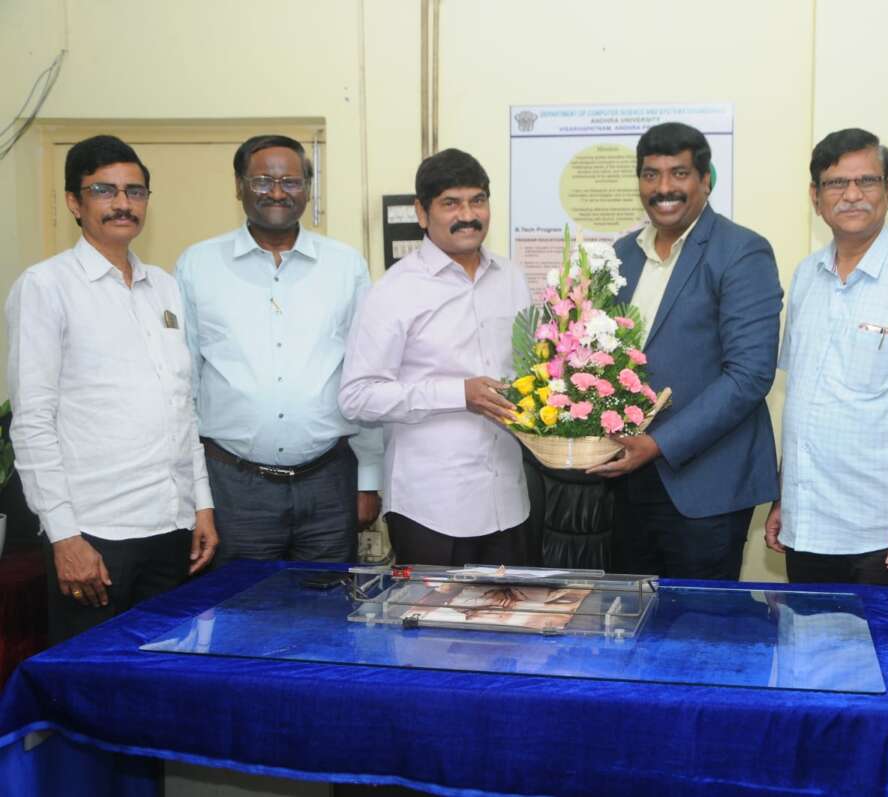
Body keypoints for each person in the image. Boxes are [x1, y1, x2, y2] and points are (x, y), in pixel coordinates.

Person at [6, 135, 218, 643]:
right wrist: (64, 536)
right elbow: (32, 422)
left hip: (171, 527)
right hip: (96, 536)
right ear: (74, 202)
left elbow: (181, 408)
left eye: (135, 191)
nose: (123, 203)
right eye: (105, 190)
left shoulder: (164, 287)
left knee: (167, 669)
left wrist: (202, 505)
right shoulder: (46, 286)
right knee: (93, 676)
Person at [764, 128, 888, 596]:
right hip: (808, 524)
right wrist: (785, 497)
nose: (852, 194)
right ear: (815, 197)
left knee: (884, 646)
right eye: (836, 183)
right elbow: (804, 397)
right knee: (807, 642)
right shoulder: (806, 276)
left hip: (884, 532)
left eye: (867, 181)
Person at [587, 122, 782, 581]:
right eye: (650, 175)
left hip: (706, 485)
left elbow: (750, 374)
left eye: (679, 173)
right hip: (627, 482)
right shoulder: (622, 254)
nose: (663, 188)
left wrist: (658, 444)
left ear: (705, 180)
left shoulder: (741, 251)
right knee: (632, 611)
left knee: (701, 620)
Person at [176, 135, 383, 565]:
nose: (276, 192)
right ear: (239, 186)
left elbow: (364, 374)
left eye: (290, 181)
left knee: (327, 603)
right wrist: (198, 496)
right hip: (234, 486)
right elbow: (185, 382)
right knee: (241, 604)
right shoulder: (198, 265)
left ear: (307, 188)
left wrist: (368, 478)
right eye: (262, 181)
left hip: (328, 484)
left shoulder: (345, 266)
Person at [339, 148, 531, 566]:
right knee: (432, 612)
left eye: (478, 200)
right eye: (451, 203)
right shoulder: (393, 291)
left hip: (509, 500)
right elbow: (357, 397)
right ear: (421, 213)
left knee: (511, 608)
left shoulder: (513, 279)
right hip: (432, 508)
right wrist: (458, 394)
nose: (468, 215)